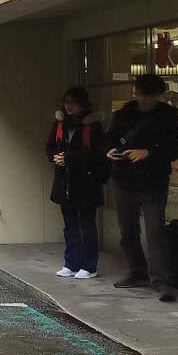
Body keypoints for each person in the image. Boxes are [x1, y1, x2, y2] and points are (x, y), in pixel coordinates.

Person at [106, 73, 178, 303]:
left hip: (154, 182)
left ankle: (162, 281)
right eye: (143, 95)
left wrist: (148, 153)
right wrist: (110, 151)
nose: (147, 100)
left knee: (155, 232)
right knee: (127, 230)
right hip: (124, 179)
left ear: (159, 95)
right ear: (136, 93)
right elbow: (109, 139)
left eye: (151, 96)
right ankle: (137, 271)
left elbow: (176, 148)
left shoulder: (169, 116)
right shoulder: (122, 115)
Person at [45, 86, 107, 279]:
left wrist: (69, 159)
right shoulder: (60, 124)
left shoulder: (92, 125)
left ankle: (89, 266)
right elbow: (50, 146)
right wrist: (55, 157)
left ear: (83, 103)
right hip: (65, 183)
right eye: (66, 102)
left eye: (73, 103)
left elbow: (98, 154)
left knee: (87, 225)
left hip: (86, 183)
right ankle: (70, 263)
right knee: (69, 225)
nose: (69, 106)